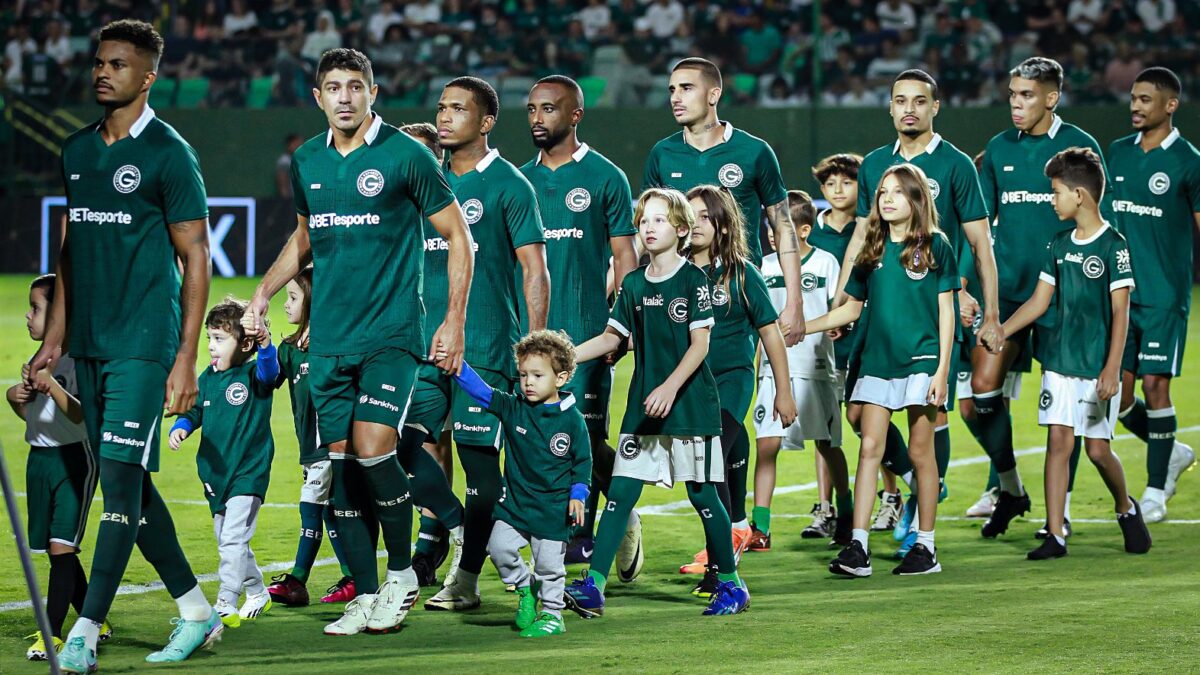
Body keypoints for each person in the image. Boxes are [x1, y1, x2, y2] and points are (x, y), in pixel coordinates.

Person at [247, 48, 474, 636]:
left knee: (375, 449)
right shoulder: (307, 160)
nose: (344, 97)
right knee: (342, 466)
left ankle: (401, 575)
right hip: (329, 341)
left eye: (355, 86)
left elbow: (459, 236)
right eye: (333, 87)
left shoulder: (405, 155)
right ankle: (367, 593)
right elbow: (304, 237)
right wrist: (263, 293)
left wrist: (453, 320)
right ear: (318, 97)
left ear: (373, 92)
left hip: (390, 335)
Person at [32, 20, 221, 671]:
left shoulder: (169, 153)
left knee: (117, 482)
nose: (102, 72)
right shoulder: (77, 149)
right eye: (99, 62)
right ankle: (196, 611)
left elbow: (196, 256)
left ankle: (83, 633)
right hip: (89, 343)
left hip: (144, 342)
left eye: (117, 64)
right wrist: (55, 338)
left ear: (148, 77)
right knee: (130, 482)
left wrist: (186, 357)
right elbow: (70, 250)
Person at [835, 69, 1002, 558]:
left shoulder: (955, 164)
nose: (909, 109)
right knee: (857, 413)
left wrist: (989, 311)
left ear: (935, 107)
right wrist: (842, 299)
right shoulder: (875, 166)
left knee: (928, 415)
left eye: (920, 101)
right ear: (889, 107)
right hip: (880, 310)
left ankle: (920, 516)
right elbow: (862, 236)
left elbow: (980, 243)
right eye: (900, 100)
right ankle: (916, 482)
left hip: (933, 308)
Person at [565, 188, 750, 618]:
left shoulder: (693, 280)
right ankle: (593, 586)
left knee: (703, 496)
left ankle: (731, 584)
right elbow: (612, 338)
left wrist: (669, 387)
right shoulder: (632, 283)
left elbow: (700, 345)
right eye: (644, 220)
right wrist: (567, 355)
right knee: (620, 494)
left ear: (681, 230)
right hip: (644, 410)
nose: (649, 227)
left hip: (690, 407)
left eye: (660, 220)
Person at [424, 76, 550, 612]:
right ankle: (455, 531)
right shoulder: (426, 181)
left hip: (486, 347)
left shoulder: (509, 184)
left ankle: (468, 579)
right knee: (393, 447)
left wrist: (536, 347)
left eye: (458, 108)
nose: (444, 116)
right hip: (418, 348)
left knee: (479, 470)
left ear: (487, 122)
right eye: (442, 107)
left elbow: (534, 270)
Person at [975, 56, 1110, 539]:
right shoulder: (998, 148)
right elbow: (979, 227)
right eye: (1013, 94)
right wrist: (969, 288)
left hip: (1064, 296)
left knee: (1065, 414)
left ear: (1051, 98)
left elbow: (1097, 223)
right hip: (1011, 296)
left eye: (1027, 95)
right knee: (979, 395)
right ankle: (1010, 488)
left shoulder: (1080, 146)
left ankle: (1062, 511)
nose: (1016, 103)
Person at [1000, 147, 1152, 559]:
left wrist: (1112, 368)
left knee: (1098, 450)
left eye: (1056, 192)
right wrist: (1003, 330)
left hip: (1097, 366)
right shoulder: (1058, 243)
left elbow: (1121, 312)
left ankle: (1125, 507)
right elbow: (1039, 301)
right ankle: (1055, 535)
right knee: (1058, 444)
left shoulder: (1114, 246)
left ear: (1079, 195)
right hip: (1059, 363)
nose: (1052, 200)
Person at [807, 164, 959, 577]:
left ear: (917, 199)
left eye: (898, 192)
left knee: (920, 452)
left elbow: (947, 311)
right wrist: (803, 326)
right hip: (877, 361)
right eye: (883, 193)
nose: (888, 199)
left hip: (922, 361)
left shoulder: (936, 245)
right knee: (870, 447)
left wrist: (942, 370)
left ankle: (926, 546)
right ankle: (858, 546)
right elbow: (851, 308)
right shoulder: (871, 247)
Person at [518, 75, 641, 572]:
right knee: (538, 436)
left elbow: (625, 257)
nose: (537, 118)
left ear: (575, 115)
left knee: (584, 438)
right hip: (529, 336)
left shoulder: (606, 177)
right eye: (531, 109)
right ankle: (614, 511)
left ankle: (592, 531)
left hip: (587, 334)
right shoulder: (518, 180)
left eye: (548, 108)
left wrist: (625, 325)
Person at [642, 57, 807, 346]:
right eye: (672, 90)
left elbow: (783, 227)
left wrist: (795, 302)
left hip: (737, 297)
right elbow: (645, 232)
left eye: (686, 88)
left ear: (713, 95)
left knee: (733, 374)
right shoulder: (662, 154)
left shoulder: (754, 151)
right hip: (676, 294)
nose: (675, 97)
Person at [682, 184, 796, 587]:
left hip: (731, 381)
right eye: (690, 216)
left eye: (705, 216)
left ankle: (721, 565)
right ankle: (737, 527)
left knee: (707, 466)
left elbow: (771, 334)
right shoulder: (675, 273)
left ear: (724, 226)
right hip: (689, 387)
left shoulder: (743, 274)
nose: (696, 224)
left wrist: (783, 391)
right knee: (711, 463)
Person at [449, 330, 591, 638]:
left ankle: (553, 615)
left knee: (549, 567)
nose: (528, 382)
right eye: (524, 375)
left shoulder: (572, 420)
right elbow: (481, 391)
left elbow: (582, 463)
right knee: (498, 548)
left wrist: (578, 494)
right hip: (515, 506)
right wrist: (456, 364)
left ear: (561, 378)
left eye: (538, 375)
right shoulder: (513, 407)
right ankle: (526, 589)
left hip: (553, 511)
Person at [1109, 66, 1200, 522]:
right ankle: (1174, 452)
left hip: (1165, 294)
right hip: (1121, 294)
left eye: (1146, 99)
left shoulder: (1189, 161)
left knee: (1155, 385)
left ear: (1171, 105)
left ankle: (1154, 491)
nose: (1136, 106)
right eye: (1133, 98)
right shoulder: (1116, 153)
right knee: (1119, 397)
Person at [8, 275, 108, 662]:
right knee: (56, 550)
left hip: (73, 461)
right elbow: (36, 418)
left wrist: (52, 386)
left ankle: (50, 635)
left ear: (58, 316)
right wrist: (15, 398)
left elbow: (82, 416)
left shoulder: (79, 359)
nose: (28, 316)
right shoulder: (41, 359)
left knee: (62, 546)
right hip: (40, 460)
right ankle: (93, 617)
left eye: (35, 309)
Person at [169, 299, 279, 627]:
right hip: (216, 473)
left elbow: (270, 370)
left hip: (248, 471)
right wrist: (181, 427)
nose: (211, 346)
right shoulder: (209, 377)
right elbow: (195, 411)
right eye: (209, 338)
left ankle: (226, 601)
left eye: (219, 339)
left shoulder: (255, 374)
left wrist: (265, 343)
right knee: (230, 540)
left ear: (245, 344)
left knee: (232, 538)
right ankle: (257, 591)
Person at [750, 191, 850, 551]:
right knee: (766, 445)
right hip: (773, 371)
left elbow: (839, 309)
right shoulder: (762, 267)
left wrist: (838, 326)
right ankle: (760, 527)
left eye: (780, 227)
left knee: (827, 444)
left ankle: (847, 514)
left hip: (816, 368)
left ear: (804, 230)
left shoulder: (825, 263)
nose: (772, 233)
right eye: (770, 227)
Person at [397, 122, 467, 590]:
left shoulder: (454, 203)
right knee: (424, 445)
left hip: (463, 344)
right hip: (411, 348)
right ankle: (431, 542)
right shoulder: (394, 207)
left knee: (465, 450)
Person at [263, 268, 358, 606]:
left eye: (293, 297)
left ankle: (297, 580)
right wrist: (263, 344)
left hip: (331, 445)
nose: (286, 304)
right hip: (309, 446)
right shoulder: (289, 349)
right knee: (328, 509)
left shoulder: (334, 347)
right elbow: (267, 380)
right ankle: (352, 576)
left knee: (311, 506)